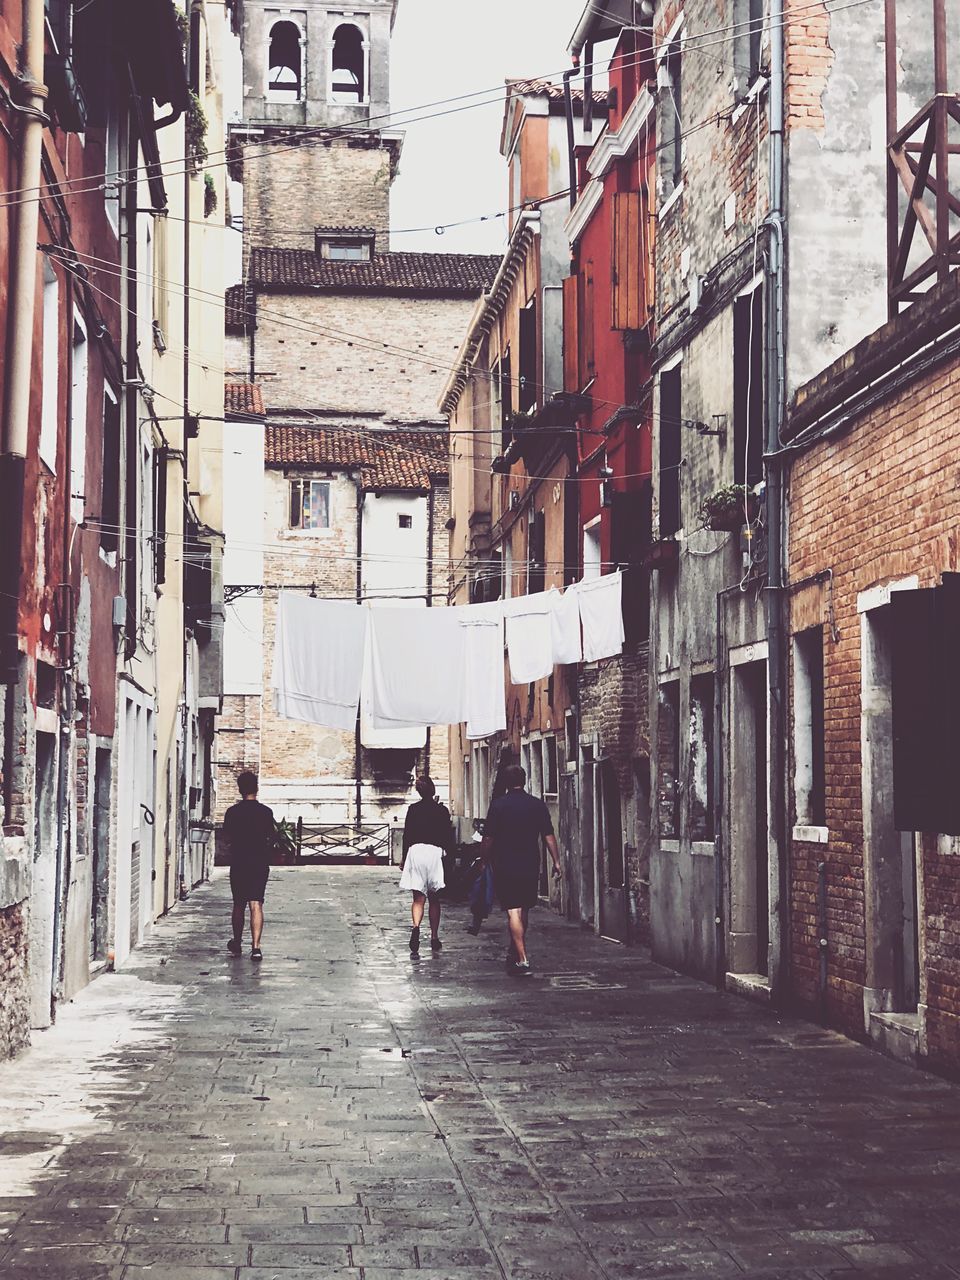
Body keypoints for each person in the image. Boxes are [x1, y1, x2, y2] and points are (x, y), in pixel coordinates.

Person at [480, 764, 561, 976]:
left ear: (506, 783)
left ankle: (522, 958)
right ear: (524, 781)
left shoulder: (498, 806)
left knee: (513, 911)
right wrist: (557, 861)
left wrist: (483, 860)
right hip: (530, 864)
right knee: (523, 909)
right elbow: (548, 836)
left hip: (505, 864)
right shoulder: (536, 805)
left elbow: (488, 838)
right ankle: (516, 950)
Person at [222, 771, 276, 961]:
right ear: (257, 788)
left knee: (238, 903)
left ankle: (237, 942)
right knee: (256, 903)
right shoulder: (266, 812)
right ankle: (256, 947)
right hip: (259, 862)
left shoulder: (232, 812)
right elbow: (271, 837)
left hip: (239, 862)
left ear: (239, 789)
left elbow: (226, 838)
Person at [399, 775, 454, 955]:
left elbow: (407, 835)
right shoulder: (442, 811)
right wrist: (449, 857)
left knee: (418, 897)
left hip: (416, 852)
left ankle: (416, 927)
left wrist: (403, 858)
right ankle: (434, 937)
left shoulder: (413, 810)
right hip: (434, 853)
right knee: (434, 898)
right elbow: (448, 836)